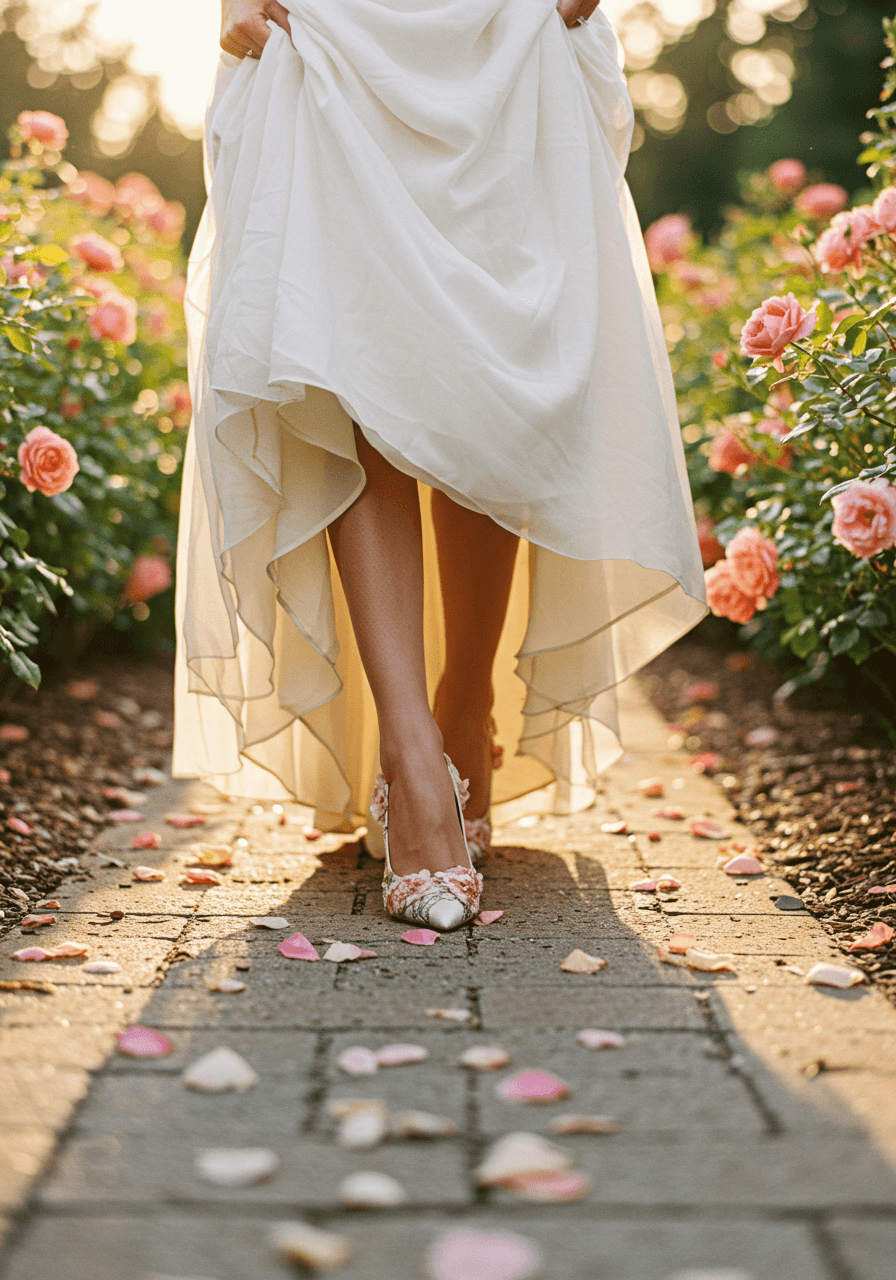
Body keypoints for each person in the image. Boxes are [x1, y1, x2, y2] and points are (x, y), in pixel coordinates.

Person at [172, 0, 707, 931]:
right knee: (351, 356)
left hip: (499, 26)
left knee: (488, 374)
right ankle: (414, 759)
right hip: (336, 27)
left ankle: (466, 708)